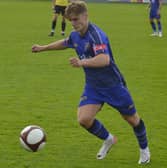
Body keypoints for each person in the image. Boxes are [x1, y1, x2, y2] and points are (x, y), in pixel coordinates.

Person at [32, 1, 150, 164]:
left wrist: (81, 63)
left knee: (132, 120)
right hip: (93, 86)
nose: (73, 23)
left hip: (113, 85)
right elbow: (65, 43)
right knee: (84, 119)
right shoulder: (75, 35)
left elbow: (104, 59)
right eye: (71, 20)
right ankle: (109, 139)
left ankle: (144, 150)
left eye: (76, 19)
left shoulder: (96, 35)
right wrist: (42, 48)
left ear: (86, 16)